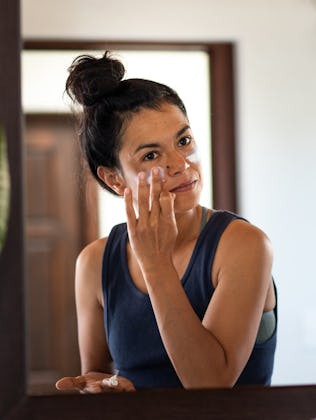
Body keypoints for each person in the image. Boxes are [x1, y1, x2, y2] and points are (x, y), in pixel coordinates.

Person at [56, 51, 277, 393]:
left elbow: (210, 385)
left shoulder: (244, 245)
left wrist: (155, 263)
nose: (181, 163)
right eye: (151, 155)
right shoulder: (94, 262)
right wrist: (104, 387)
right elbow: (98, 375)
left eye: (184, 141)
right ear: (114, 179)